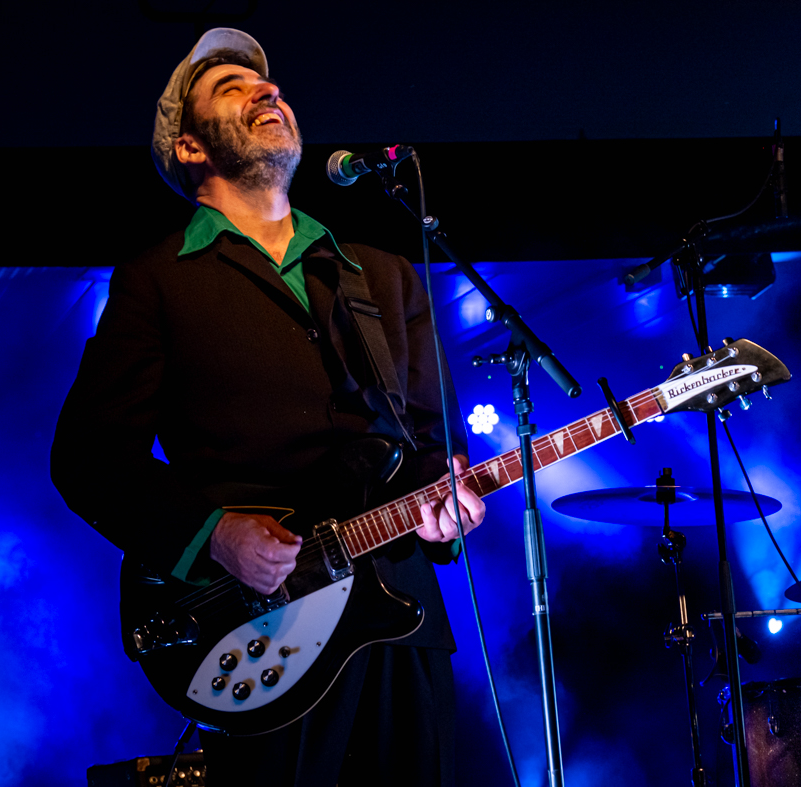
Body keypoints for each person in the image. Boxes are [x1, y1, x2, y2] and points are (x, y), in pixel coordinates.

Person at [51, 28, 484, 786]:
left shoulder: (379, 275)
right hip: (262, 623)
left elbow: (427, 443)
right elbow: (87, 458)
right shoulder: (160, 280)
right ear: (190, 148)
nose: (267, 91)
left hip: (402, 617)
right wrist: (212, 536)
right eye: (232, 88)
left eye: (270, 85)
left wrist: (446, 504)